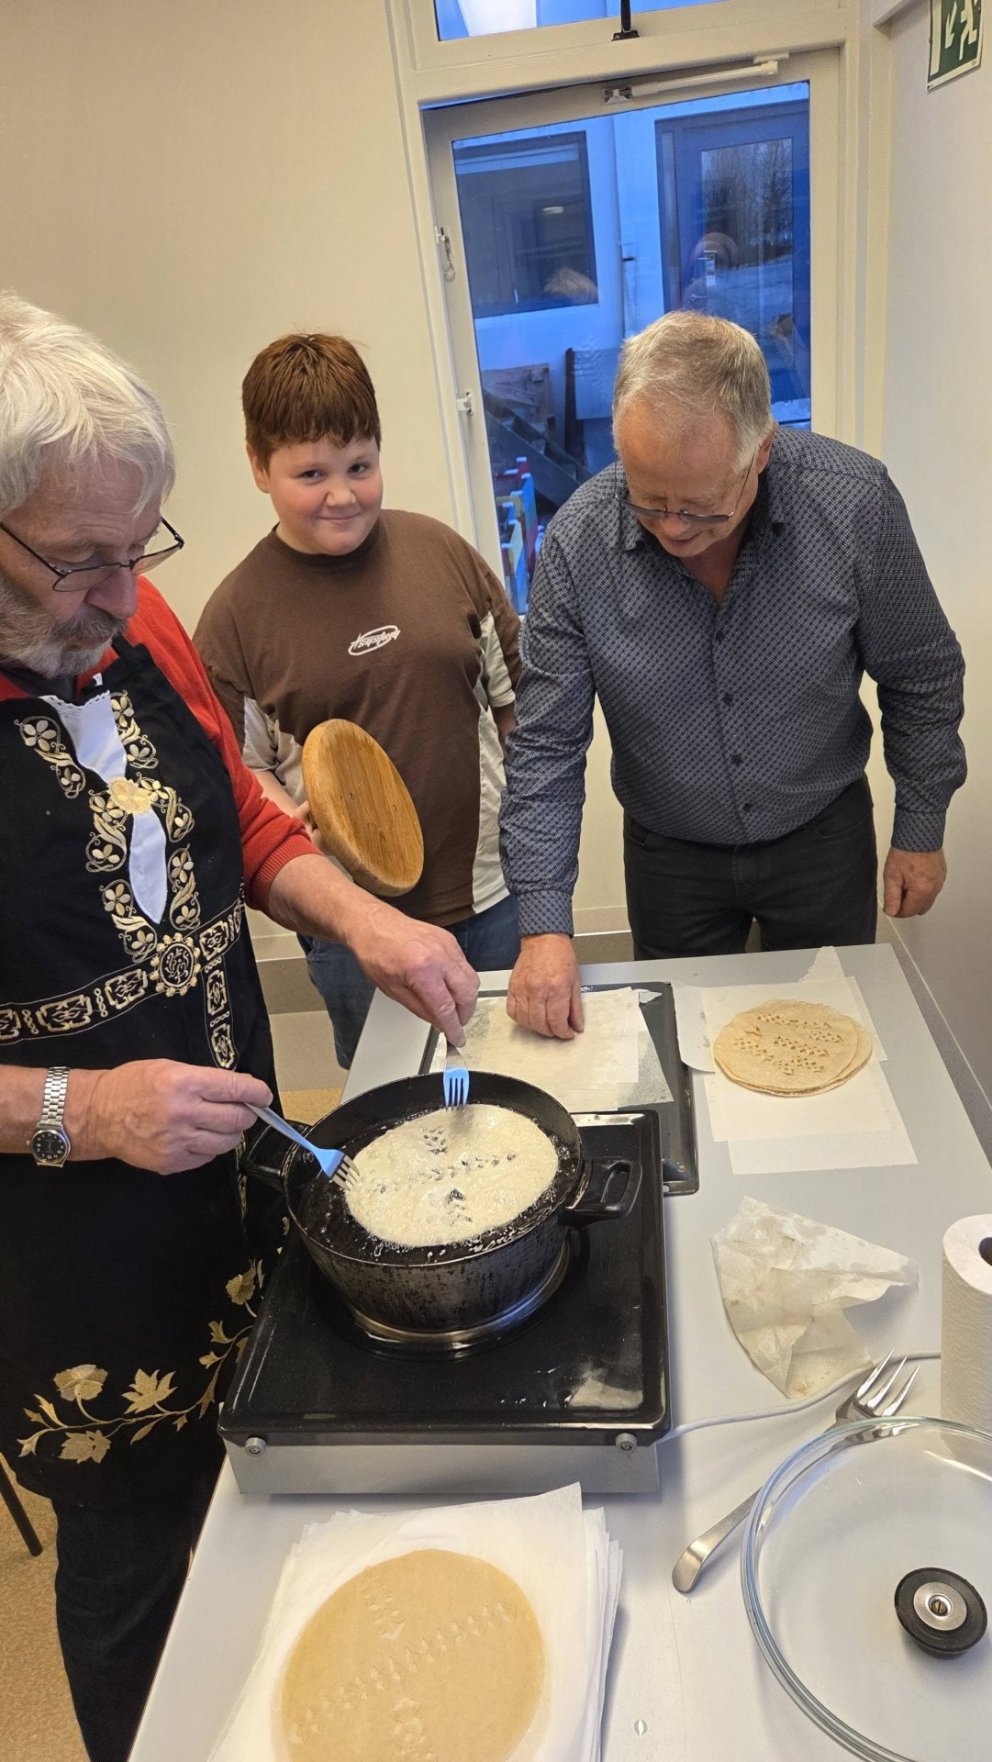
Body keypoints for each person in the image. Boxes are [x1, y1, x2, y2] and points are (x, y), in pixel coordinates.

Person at [0, 292, 479, 1762]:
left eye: (138, 548)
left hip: (237, 1171)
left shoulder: (130, 613)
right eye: (79, 560)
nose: (117, 591)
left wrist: (362, 917)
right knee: (141, 1566)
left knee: (271, 1488)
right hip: (73, 1259)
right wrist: (75, 1110)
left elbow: (241, 812)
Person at [500, 309, 966, 1039]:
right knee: (684, 1049)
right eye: (649, 502)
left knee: (831, 1041)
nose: (676, 529)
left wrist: (921, 823)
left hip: (820, 840)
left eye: (702, 509)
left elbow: (922, 674)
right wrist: (544, 925)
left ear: (761, 452)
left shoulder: (854, 504)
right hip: (670, 856)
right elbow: (545, 749)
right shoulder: (580, 541)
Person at [194, 332, 522, 1069]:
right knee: (388, 1091)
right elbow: (238, 777)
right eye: (310, 472)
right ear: (258, 466)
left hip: (493, 890)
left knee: (507, 1071)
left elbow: (514, 708)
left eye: (360, 466)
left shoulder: (444, 555)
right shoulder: (235, 618)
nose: (341, 494)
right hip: (354, 926)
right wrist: (285, 820)